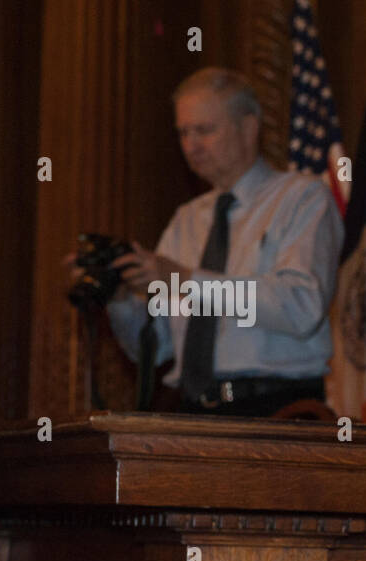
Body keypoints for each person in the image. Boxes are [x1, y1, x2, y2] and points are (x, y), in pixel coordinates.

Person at [97, 67, 342, 416]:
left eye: (205, 130)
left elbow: (300, 307)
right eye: (183, 133)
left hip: (277, 408)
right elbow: (154, 348)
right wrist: (119, 298)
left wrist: (186, 279)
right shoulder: (186, 220)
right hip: (192, 409)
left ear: (249, 127)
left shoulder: (301, 199)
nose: (191, 146)